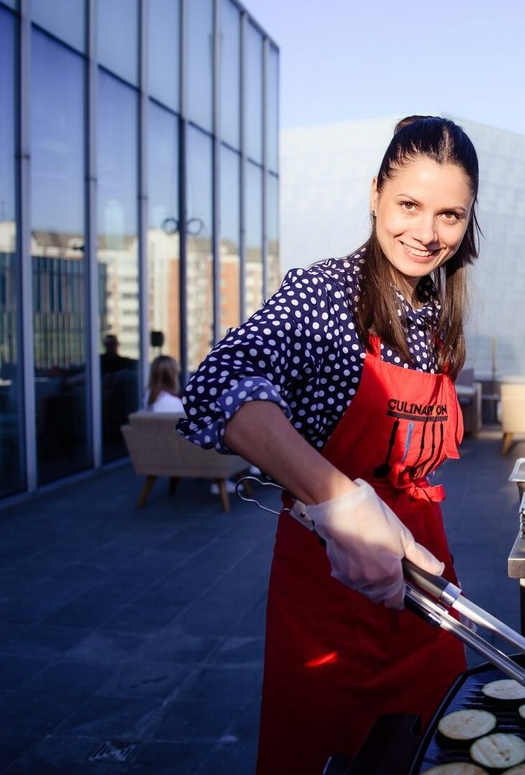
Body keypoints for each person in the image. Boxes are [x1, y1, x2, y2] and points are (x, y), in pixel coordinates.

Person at [179, 115, 481, 774]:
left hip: (426, 587)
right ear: (374, 193)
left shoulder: (438, 313)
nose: (427, 233)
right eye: (409, 204)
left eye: (450, 215)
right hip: (329, 597)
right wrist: (340, 497)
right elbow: (223, 381)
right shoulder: (326, 295)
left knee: (442, 749)